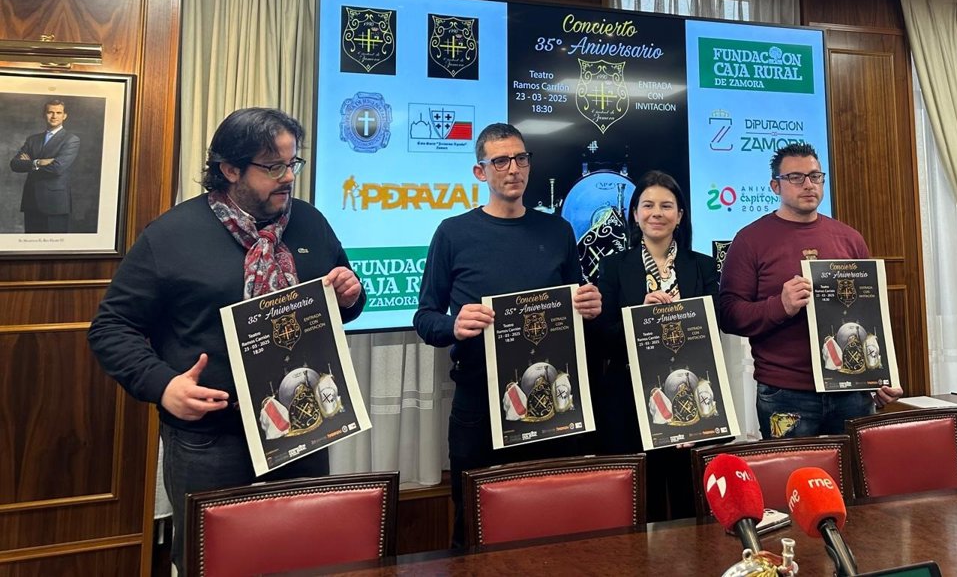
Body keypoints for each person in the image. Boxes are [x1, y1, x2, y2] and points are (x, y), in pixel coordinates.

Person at [87, 108, 364, 576]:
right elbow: (111, 328)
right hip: (212, 439)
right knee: (213, 562)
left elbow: (341, 302)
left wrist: (351, 295)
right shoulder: (171, 236)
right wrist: (163, 385)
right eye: (273, 167)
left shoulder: (310, 223)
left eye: (292, 163)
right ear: (230, 169)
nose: (288, 177)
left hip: (306, 426)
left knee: (303, 555)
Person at [414, 122, 601, 548]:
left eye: (521, 158)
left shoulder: (558, 231)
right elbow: (424, 317)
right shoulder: (452, 233)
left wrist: (590, 306)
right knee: (474, 523)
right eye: (500, 161)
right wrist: (453, 325)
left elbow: (576, 305)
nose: (513, 169)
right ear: (480, 171)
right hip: (478, 401)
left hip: (552, 401)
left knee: (548, 521)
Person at [719, 142, 903, 439]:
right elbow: (729, 315)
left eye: (815, 176)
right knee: (793, 469)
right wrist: (780, 305)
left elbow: (869, 315)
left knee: (854, 469)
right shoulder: (749, 240)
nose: (808, 184)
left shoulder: (850, 239)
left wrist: (879, 374)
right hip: (785, 393)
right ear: (775, 186)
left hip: (851, 390)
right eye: (795, 177)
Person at [591, 169, 718, 521]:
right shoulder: (613, 267)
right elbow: (601, 335)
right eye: (647, 205)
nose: (656, 213)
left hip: (688, 400)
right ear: (635, 214)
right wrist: (640, 317)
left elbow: (714, 327)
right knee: (638, 508)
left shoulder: (702, 266)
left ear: (680, 215)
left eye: (666, 205)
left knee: (688, 507)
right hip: (627, 402)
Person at [9, 98, 80, 232]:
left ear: (64, 116)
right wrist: (38, 162)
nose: (54, 116)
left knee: (54, 244)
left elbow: (57, 168)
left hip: (55, 203)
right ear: (44, 115)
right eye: (50, 112)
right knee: (30, 243)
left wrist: (29, 163)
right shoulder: (33, 139)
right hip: (31, 201)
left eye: (58, 113)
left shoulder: (71, 140)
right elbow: (15, 164)